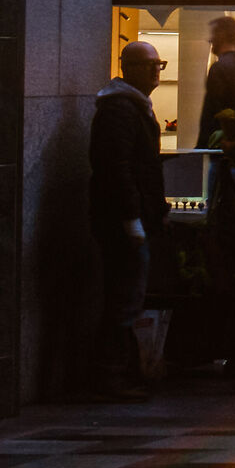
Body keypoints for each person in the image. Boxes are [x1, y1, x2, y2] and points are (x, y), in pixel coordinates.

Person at [89, 40, 168, 403]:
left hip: (128, 219)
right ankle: (111, 375)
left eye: (159, 64)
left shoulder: (129, 107)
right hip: (124, 223)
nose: (156, 71)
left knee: (127, 296)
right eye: (150, 64)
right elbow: (117, 168)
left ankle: (119, 372)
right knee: (125, 297)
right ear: (129, 68)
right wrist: (132, 218)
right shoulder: (122, 110)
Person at [196, 14, 235, 154]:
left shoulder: (218, 68)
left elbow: (214, 110)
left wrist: (202, 145)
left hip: (220, 147)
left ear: (222, 35)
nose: (210, 39)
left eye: (214, 34)